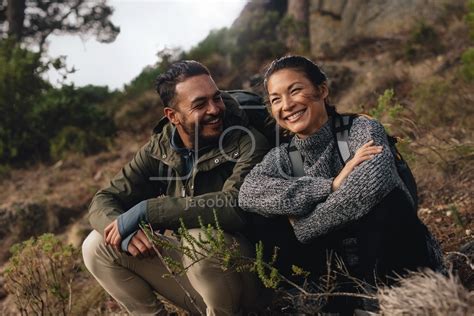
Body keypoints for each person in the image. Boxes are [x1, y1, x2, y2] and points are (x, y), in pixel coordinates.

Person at [238, 55, 444, 312]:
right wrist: (330, 185)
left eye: (295, 90)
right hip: (337, 271)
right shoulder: (282, 157)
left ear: (321, 90)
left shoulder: (361, 129)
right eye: (276, 99)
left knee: (386, 203)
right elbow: (248, 193)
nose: (287, 105)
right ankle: (320, 300)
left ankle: (387, 300)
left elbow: (371, 184)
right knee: (263, 218)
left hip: (394, 260)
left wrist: (303, 226)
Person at [82, 60, 271, 315]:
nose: (215, 109)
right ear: (173, 116)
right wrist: (122, 229)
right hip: (200, 279)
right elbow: (104, 198)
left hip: (255, 278)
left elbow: (235, 206)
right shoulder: (159, 149)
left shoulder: (247, 141)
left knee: (201, 238)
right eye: (200, 104)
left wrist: (149, 210)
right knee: (97, 246)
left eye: (217, 98)